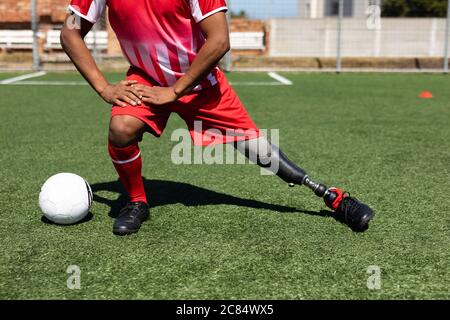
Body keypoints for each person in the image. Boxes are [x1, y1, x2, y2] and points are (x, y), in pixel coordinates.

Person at [61, 0, 374, 235]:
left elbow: (219, 40)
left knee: (262, 152)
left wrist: (175, 90)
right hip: (145, 79)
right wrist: (104, 88)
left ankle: (331, 196)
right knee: (121, 127)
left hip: (201, 84)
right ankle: (137, 202)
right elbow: (70, 32)